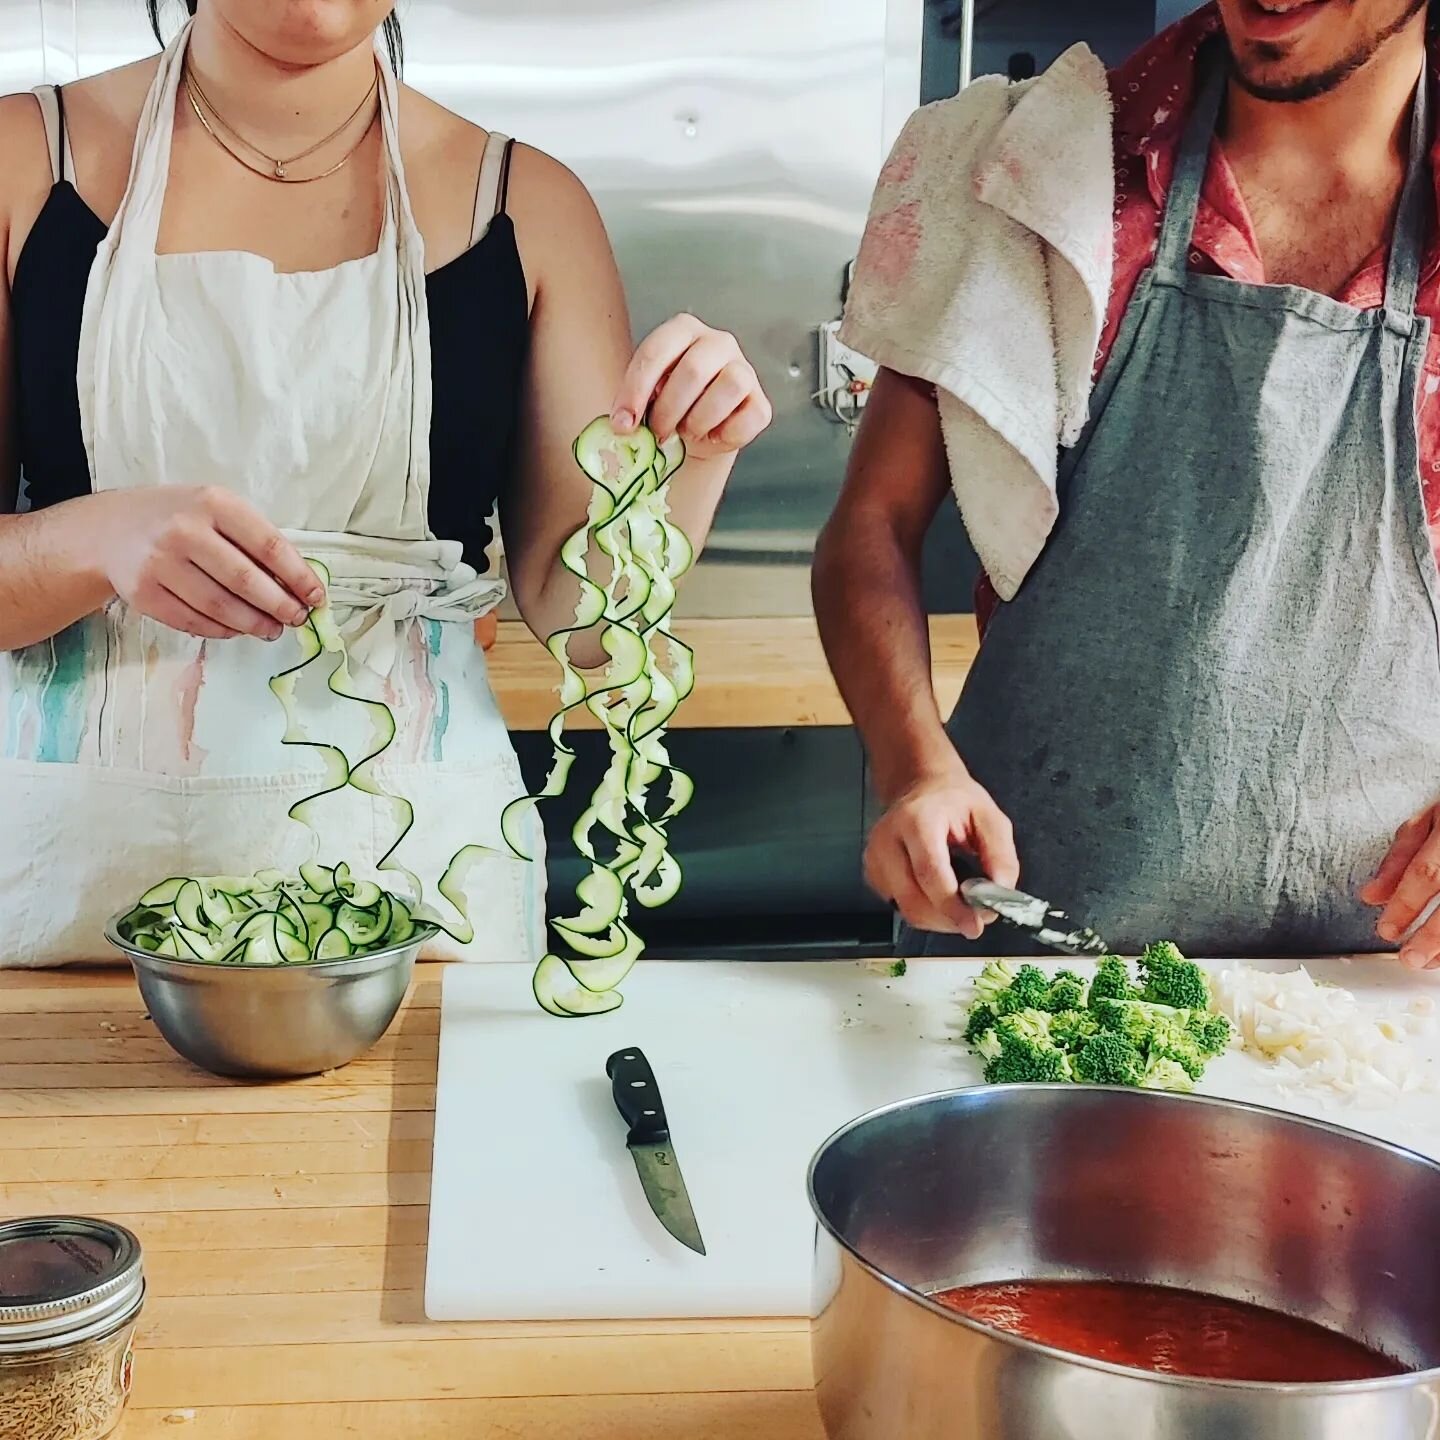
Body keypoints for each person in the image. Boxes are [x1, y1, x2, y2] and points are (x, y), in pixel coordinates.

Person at [0, 0, 771, 965]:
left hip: (421, 899)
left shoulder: (529, 204)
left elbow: (590, 627)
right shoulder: (21, 162)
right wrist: (93, 540)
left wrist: (697, 453)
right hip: (67, 899)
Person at [815, 0, 1440, 968]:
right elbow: (872, 526)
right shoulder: (1030, 171)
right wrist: (915, 769)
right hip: (1024, 975)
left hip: (1361, 1017)